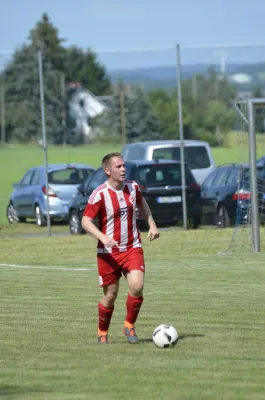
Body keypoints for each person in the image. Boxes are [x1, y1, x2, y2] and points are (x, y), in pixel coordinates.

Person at [81, 152, 160, 344]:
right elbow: (85, 221)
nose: (123, 169)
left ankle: (129, 325)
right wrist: (103, 237)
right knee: (110, 295)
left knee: (137, 286)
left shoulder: (133, 187)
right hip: (107, 253)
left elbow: (142, 204)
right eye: (119, 167)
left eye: (124, 166)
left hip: (132, 247)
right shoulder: (99, 194)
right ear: (108, 171)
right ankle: (102, 332)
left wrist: (152, 224)